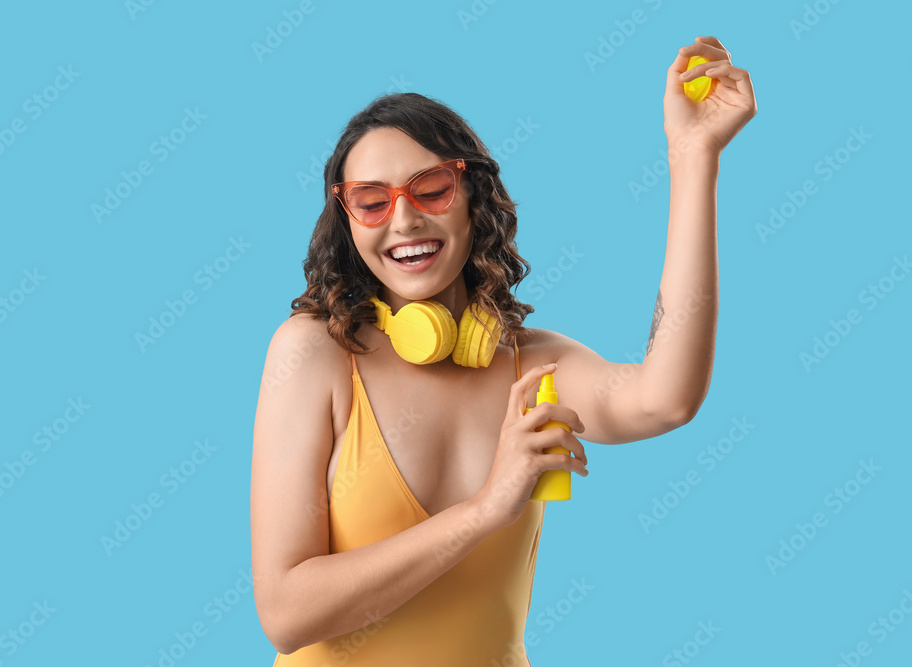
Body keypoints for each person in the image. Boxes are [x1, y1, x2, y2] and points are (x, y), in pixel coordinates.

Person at [251, 36, 756, 666]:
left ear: (473, 197)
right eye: (372, 201)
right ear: (348, 221)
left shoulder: (531, 365)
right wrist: (488, 506)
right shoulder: (316, 353)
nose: (402, 221)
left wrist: (692, 156)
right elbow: (285, 614)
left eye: (430, 189)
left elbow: (667, 399)